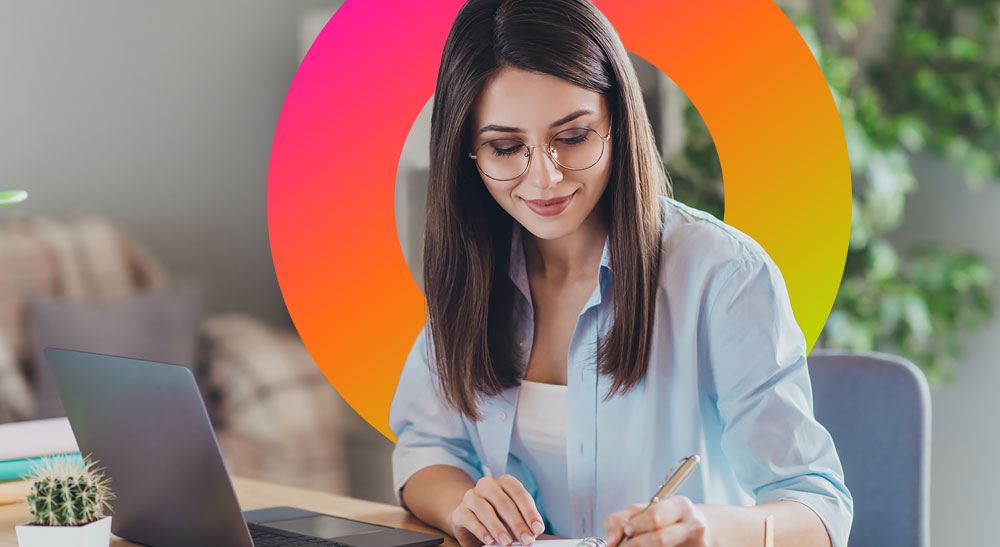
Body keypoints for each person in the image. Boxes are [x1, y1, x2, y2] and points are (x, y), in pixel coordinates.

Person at [389, 1, 853, 546]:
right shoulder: (473, 268)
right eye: (506, 147)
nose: (543, 177)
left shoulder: (724, 277)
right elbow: (426, 448)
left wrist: (705, 531)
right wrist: (463, 506)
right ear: (466, 150)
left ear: (618, 122)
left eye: (573, 137)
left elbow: (819, 509)